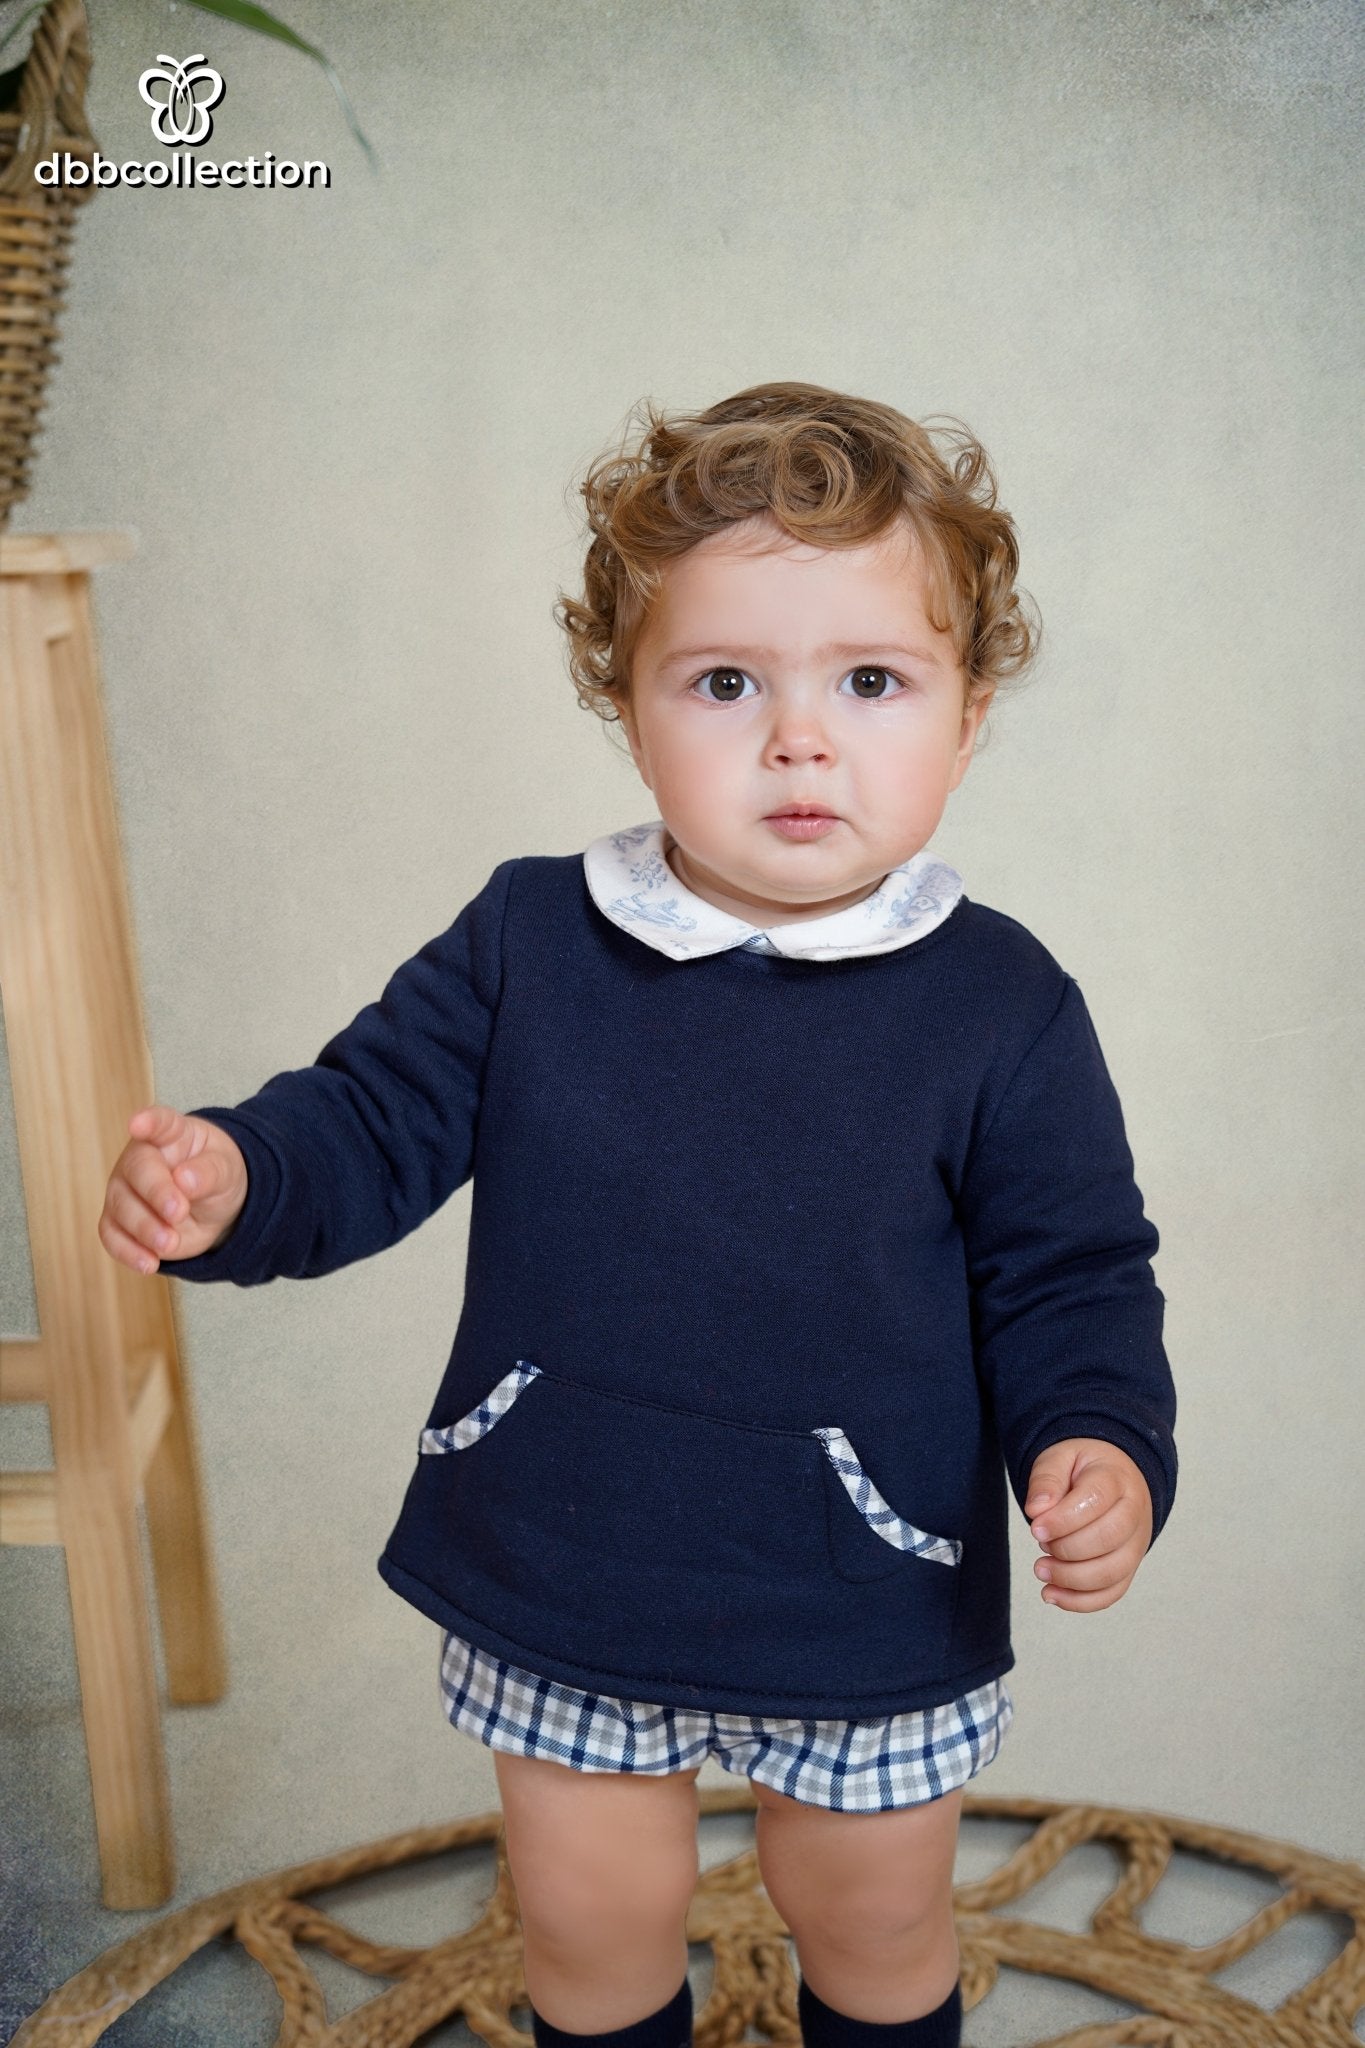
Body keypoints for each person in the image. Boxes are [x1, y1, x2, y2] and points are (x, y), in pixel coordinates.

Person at [99, 381, 1177, 2048]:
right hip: (567, 1550)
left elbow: (1072, 1276)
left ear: (966, 718)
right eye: (725, 682)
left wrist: (1099, 1436)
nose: (797, 738)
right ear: (627, 704)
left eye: (871, 682)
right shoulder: (531, 941)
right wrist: (239, 1176)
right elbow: (368, 1122)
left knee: (875, 1919)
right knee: (589, 1921)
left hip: (863, 1581)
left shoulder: (1001, 1007)